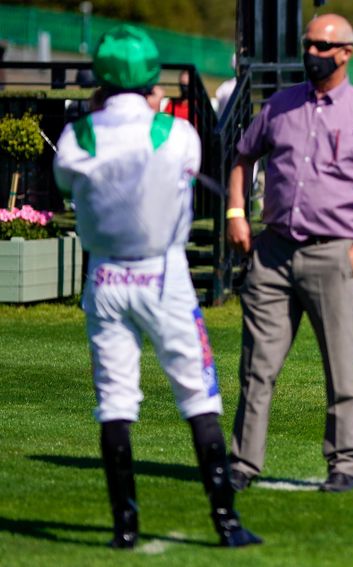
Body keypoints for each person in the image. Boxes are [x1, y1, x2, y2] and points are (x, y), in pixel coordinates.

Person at [52, 24, 260, 549]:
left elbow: (66, 182)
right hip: (163, 277)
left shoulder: (79, 137)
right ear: (150, 79)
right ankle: (226, 523)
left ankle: (125, 525)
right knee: (197, 393)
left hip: (104, 277)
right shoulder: (177, 135)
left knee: (115, 401)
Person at [226, 14, 353, 494]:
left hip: (331, 255)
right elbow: (244, 157)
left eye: (323, 46)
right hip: (273, 251)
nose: (313, 53)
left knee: (341, 368)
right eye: (308, 44)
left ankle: (343, 463)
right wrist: (236, 213)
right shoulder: (280, 105)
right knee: (257, 366)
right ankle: (242, 462)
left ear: (346, 52)